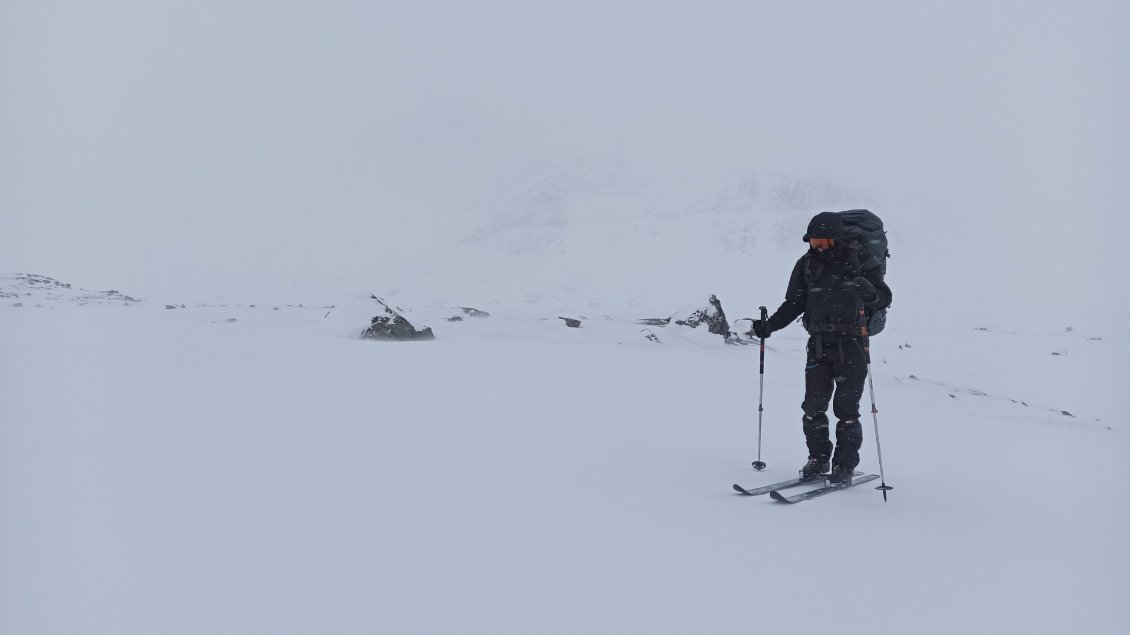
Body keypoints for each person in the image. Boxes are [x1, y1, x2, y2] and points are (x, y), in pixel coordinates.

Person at [750, 212, 892, 485]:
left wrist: (870, 292)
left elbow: (884, 297)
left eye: (825, 242)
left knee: (847, 409)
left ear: (836, 239)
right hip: (818, 345)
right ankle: (818, 459)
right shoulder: (806, 265)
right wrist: (770, 327)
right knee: (813, 407)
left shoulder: (859, 260)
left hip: (852, 344)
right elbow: (794, 303)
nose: (819, 247)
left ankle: (844, 465)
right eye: (815, 242)